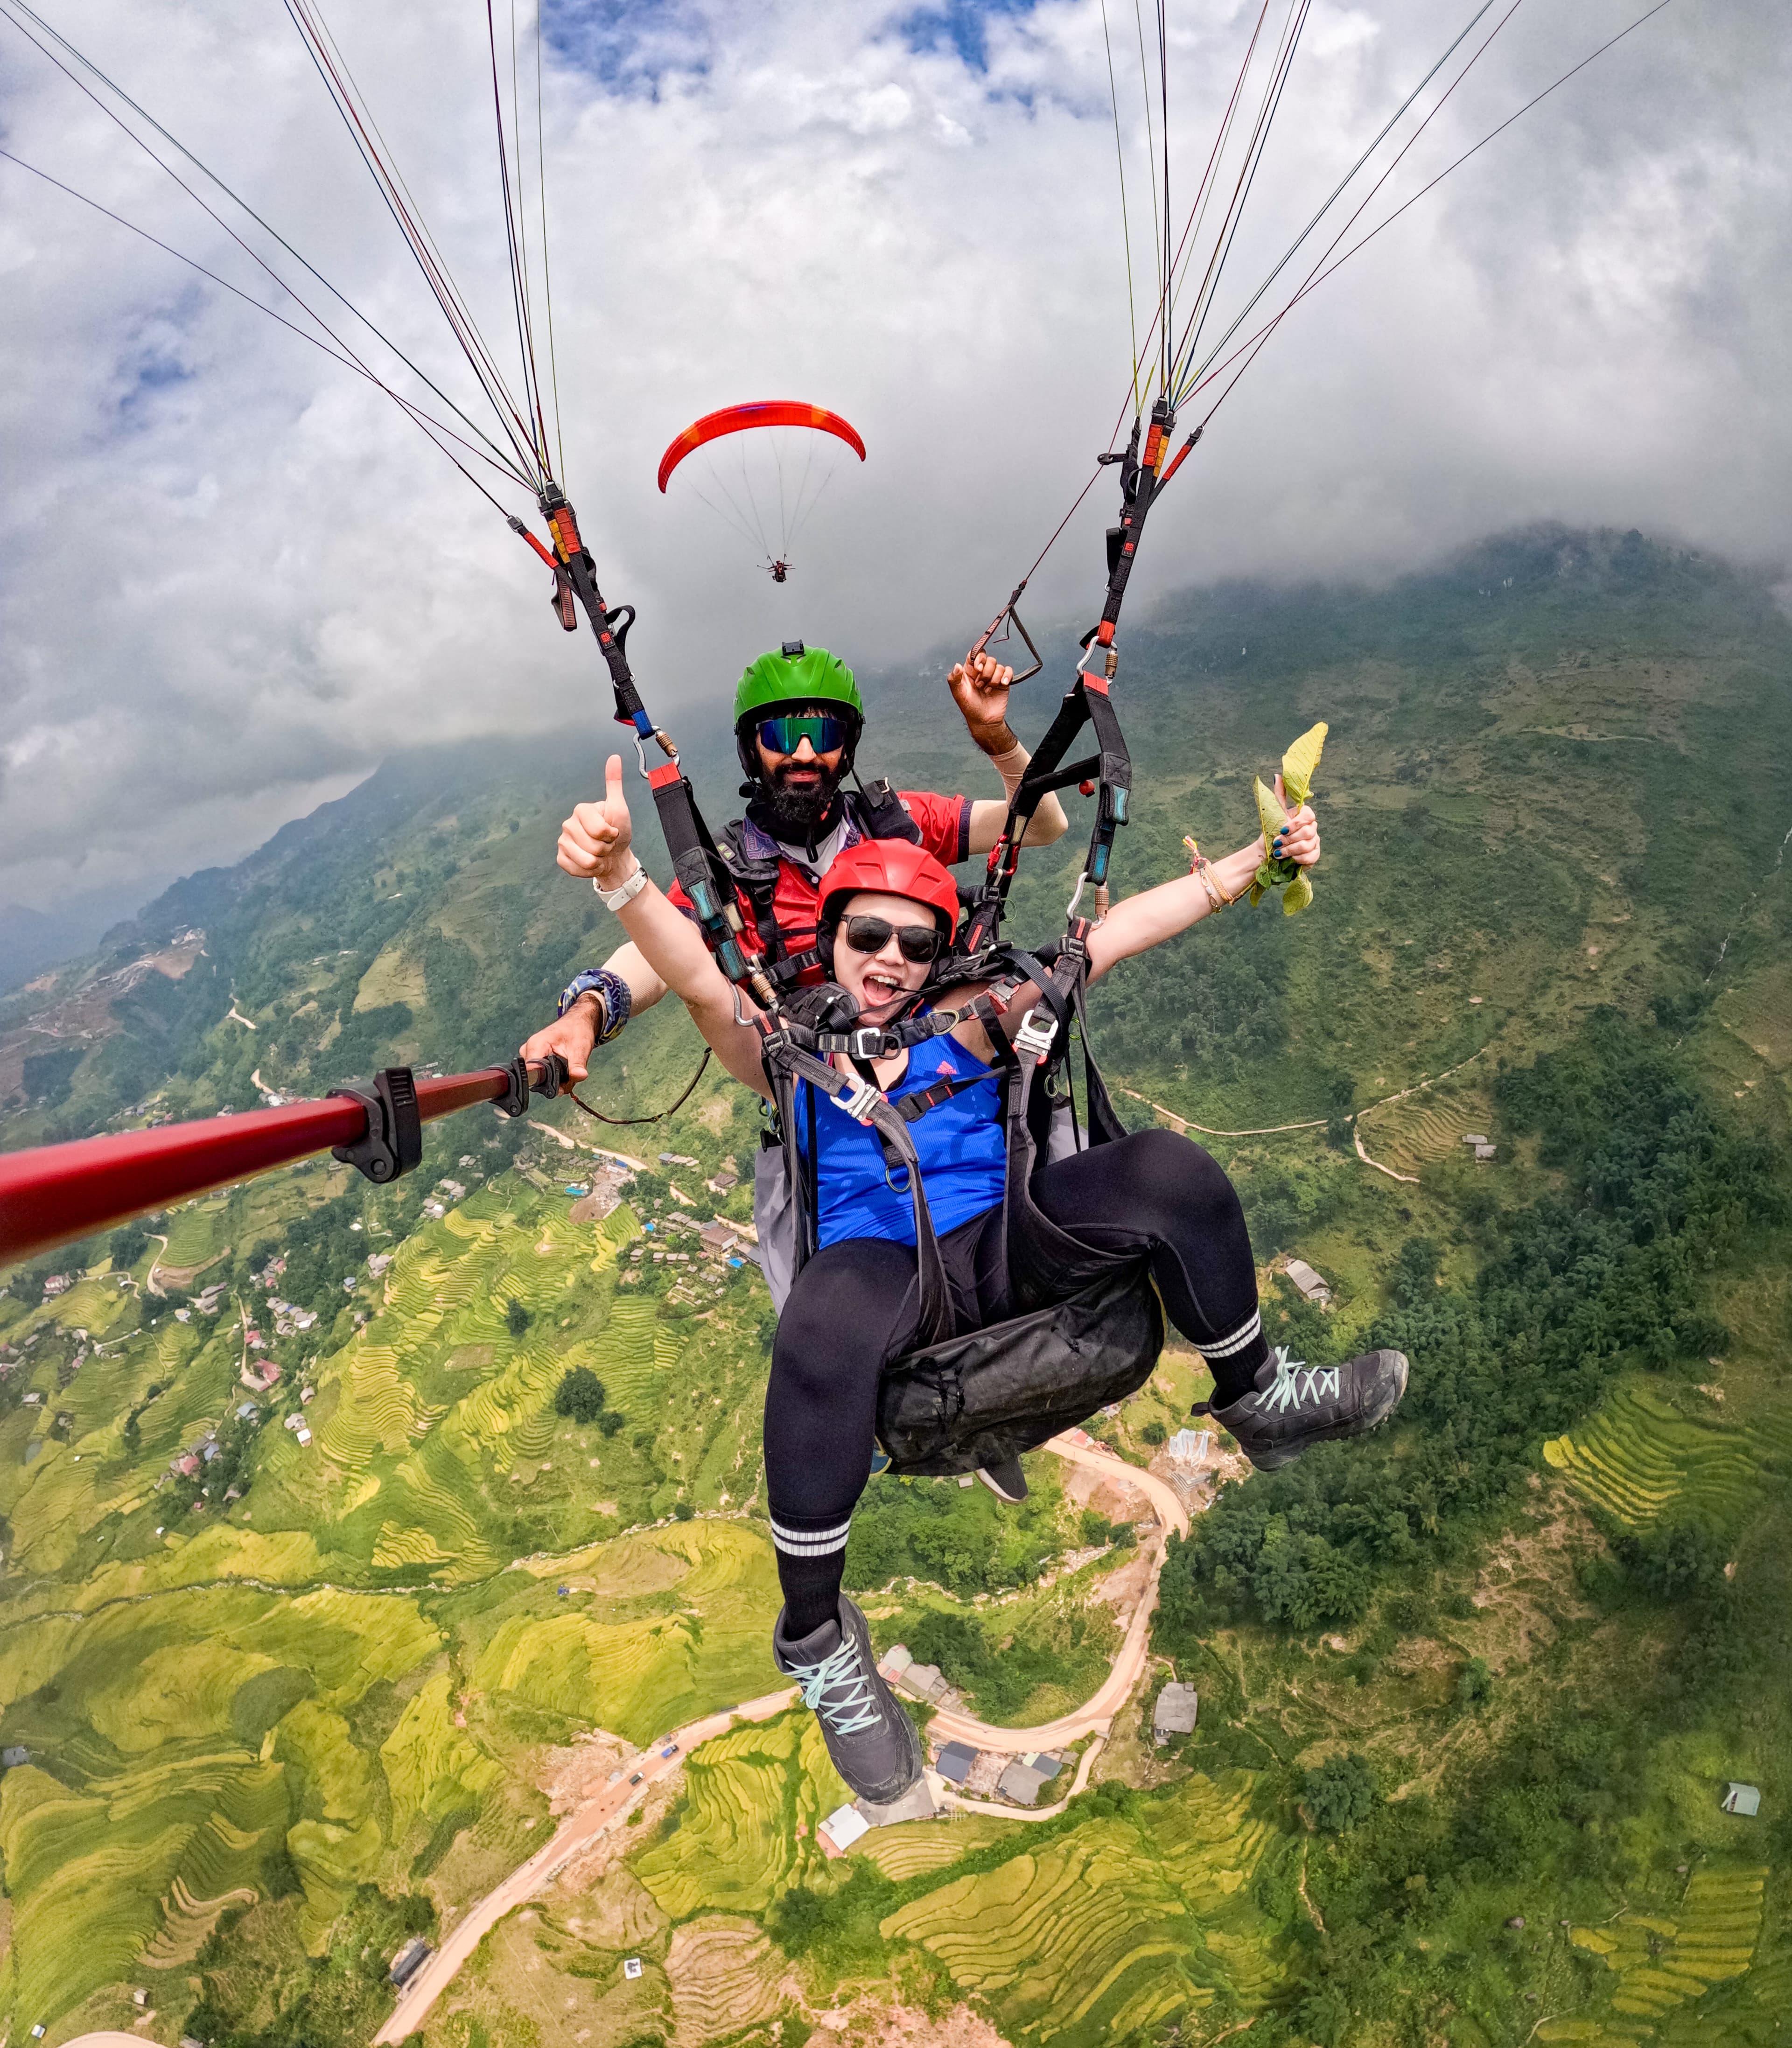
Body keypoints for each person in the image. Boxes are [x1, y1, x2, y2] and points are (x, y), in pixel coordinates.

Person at [567, 750, 1409, 1804]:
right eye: (863, 936)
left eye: (913, 943)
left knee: (1166, 1172)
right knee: (820, 1329)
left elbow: (1115, 934)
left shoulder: (984, 1015)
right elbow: (695, 975)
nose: (886, 958)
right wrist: (619, 882)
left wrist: (1255, 859)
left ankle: (1261, 1397)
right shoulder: (784, 1049)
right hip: (885, 1280)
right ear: (827, 941)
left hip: (1012, 1241)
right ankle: (819, 1636)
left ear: (939, 953)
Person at [522, 639, 1066, 1083]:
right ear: (751, 750)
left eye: (824, 733)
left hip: (938, 1060)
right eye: (782, 734)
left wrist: (996, 739)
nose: (804, 753)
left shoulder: (895, 822)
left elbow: (1042, 825)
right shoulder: (726, 871)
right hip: (818, 1086)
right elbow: (658, 957)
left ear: (846, 748)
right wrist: (588, 1012)